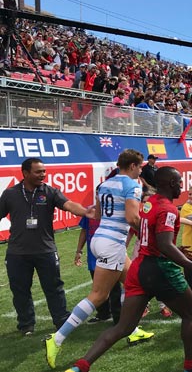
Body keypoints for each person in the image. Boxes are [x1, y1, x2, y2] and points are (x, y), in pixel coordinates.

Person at [64, 166, 192, 372]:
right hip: (161, 269)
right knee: (189, 315)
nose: (182, 186)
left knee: (123, 327)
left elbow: (154, 238)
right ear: (171, 184)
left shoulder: (148, 204)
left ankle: (80, 366)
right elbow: (164, 244)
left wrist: (175, 249)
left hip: (139, 268)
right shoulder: (169, 209)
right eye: (180, 182)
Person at [45, 149, 152, 369]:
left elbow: (99, 215)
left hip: (102, 238)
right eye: (140, 167)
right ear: (132, 166)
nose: (142, 170)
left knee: (134, 283)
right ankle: (57, 339)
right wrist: (150, 235)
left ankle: (132, 329)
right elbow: (132, 217)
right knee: (98, 295)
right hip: (112, 244)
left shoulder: (105, 184)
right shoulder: (133, 185)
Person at [0, 158, 96, 336]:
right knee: (20, 290)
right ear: (26, 173)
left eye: (44, 171)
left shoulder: (50, 192)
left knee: (54, 287)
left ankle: (61, 320)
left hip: (46, 250)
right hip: (17, 253)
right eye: (38, 172)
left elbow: (68, 205)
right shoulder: (10, 194)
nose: (43, 175)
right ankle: (26, 325)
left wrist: (85, 211)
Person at [75, 210, 122, 325]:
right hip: (93, 257)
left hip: (110, 255)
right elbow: (84, 230)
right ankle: (103, 314)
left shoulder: (113, 211)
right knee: (98, 288)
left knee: (114, 288)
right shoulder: (90, 211)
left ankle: (119, 319)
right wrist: (79, 251)